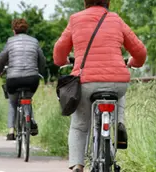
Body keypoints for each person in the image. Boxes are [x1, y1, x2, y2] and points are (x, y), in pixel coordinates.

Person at [53, 0, 147, 171]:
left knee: (79, 126)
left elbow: (58, 52)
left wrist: (63, 61)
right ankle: (119, 124)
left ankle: (77, 165)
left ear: (85, 2)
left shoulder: (75, 19)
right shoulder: (116, 19)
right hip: (117, 82)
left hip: (86, 82)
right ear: (108, 2)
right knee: (120, 92)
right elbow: (140, 51)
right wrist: (133, 62)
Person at [0, 18, 46, 140]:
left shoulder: (10, 41)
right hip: (32, 78)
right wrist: (40, 71)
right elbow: (42, 59)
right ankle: (31, 120)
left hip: (13, 79)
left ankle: (11, 131)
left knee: (12, 103)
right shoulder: (34, 41)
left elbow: (2, 58)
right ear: (26, 29)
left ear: (14, 30)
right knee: (28, 98)